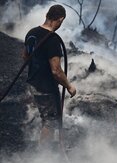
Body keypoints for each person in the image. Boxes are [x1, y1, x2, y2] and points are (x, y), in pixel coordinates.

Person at [22, 4, 76, 147]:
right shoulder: (52, 40)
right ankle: (44, 155)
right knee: (51, 122)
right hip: (45, 87)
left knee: (46, 118)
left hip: (33, 82)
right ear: (60, 19)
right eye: (61, 22)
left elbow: (26, 56)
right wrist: (69, 86)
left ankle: (47, 148)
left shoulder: (31, 33)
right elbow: (56, 71)